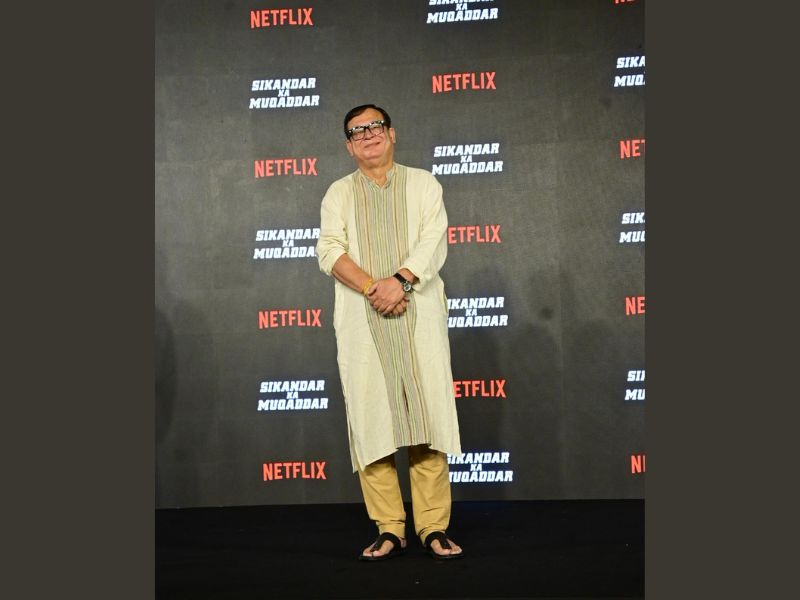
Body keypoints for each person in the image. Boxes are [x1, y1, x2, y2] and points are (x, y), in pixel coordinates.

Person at [316, 104, 464, 561]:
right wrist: (373, 288)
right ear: (349, 146)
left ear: (392, 134)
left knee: (427, 421)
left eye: (374, 126)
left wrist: (400, 281)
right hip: (365, 320)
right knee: (372, 424)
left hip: (417, 314)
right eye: (356, 131)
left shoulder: (424, 183)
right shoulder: (338, 193)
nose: (367, 135)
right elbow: (329, 250)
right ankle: (389, 528)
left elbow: (433, 240)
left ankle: (433, 527)